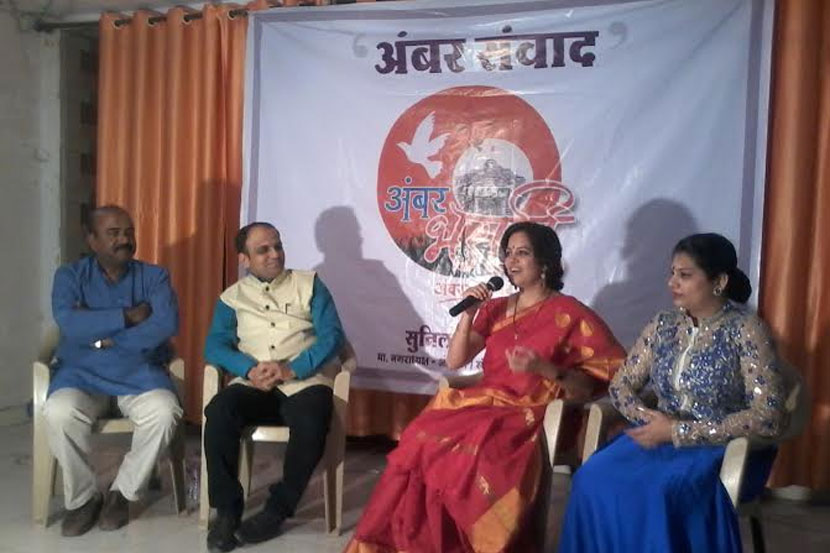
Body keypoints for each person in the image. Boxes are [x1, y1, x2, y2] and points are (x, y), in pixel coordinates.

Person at [344, 221, 625, 553]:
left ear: (545, 262)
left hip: (532, 410)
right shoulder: (495, 308)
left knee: (481, 449)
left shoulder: (571, 313)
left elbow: (604, 379)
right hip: (483, 403)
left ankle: (476, 543)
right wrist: (468, 315)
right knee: (421, 437)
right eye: (508, 253)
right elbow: (455, 360)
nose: (512, 261)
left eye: (522, 253)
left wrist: (544, 369)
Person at [558, 233, 786, 553]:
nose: (672, 283)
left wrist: (679, 431)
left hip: (721, 446)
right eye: (672, 273)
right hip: (656, 437)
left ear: (719, 281)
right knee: (589, 478)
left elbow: (768, 416)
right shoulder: (663, 325)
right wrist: (649, 420)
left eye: (685, 275)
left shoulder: (746, 330)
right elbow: (621, 385)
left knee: (659, 492)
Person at [203, 222, 345, 553]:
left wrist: (292, 368)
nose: (275, 255)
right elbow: (215, 346)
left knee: (312, 419)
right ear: (244, 259)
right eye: (263, 250)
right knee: (219, 411)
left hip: (304, 381)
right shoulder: (231, 298)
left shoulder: (309, 284)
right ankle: (227, 512)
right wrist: (248, 370)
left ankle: (277, 510)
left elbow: (332, 336)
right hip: (254, 384)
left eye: (277, 246)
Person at [43, 205, 182, 536]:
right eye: (113, 233)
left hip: (138, 374)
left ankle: (123, 492)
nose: (124, 239)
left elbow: (165, 324)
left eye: (129, 232)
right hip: (81, 375)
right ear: (92, 239)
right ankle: (83, 499)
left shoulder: (154, 277)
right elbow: (69, 322)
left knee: (164, 412)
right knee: (59, 412)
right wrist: (128, 316)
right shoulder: (70, 276)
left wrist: (103, 338)